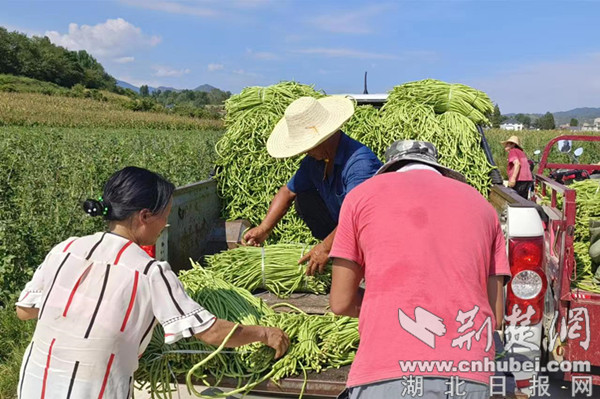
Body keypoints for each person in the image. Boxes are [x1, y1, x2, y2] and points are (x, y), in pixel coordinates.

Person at [15, 166, 289, 399]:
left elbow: (24, 311)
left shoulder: (66, 248)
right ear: (144, 216)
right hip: (96, 390)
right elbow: (211, 332)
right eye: (165, 215)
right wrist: (265, 333)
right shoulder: (149, 271)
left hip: (35, 384)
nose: (165, 224)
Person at [329, 140, 511, 399]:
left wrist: (386, 306)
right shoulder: (482, 206)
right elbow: (495, 314)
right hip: (469, 375)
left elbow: (340, 302)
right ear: (437, 168)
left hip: (387, 374)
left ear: (390, 169)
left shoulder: (360, 198)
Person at [243, 96, 382, 275]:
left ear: (325, 137)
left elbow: (358, 217)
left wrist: (324, 248)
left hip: (370, 234)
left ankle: (357, 261)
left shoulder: (359, 163)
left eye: (308, 146)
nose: (305, 151)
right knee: (304, 199)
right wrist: (263, 229)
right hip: (342, 224)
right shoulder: (316, 159)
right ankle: (339, 251)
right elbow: (287, 192)